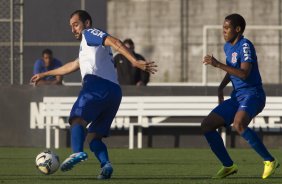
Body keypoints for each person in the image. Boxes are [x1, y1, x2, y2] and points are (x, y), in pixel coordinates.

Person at [31, 10, 156, 179]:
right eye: (71, 26)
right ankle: (106, 165)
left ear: (87, 23)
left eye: (76, 24)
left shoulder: (89, 33)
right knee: (94, 137)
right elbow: (72, 65)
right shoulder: (88, 47)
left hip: (97, 85)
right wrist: (45, 74)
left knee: (77, 118)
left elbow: (114, 41)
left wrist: (134, 61)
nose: (73, 29)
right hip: (114, 93)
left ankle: (77, 152)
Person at [201, 13, 279, 179]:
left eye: (227, 28)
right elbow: (232, 70)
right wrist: (221, 87)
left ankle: (270, 160)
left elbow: (243, 73)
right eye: (223, 28)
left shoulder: (245, 46)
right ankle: (228, 165)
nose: (224, 31)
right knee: (207, 125)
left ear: (237, 29)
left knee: (239, 124)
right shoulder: (228, 46)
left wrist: (217, 64)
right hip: (238, 97)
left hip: (253, 95)